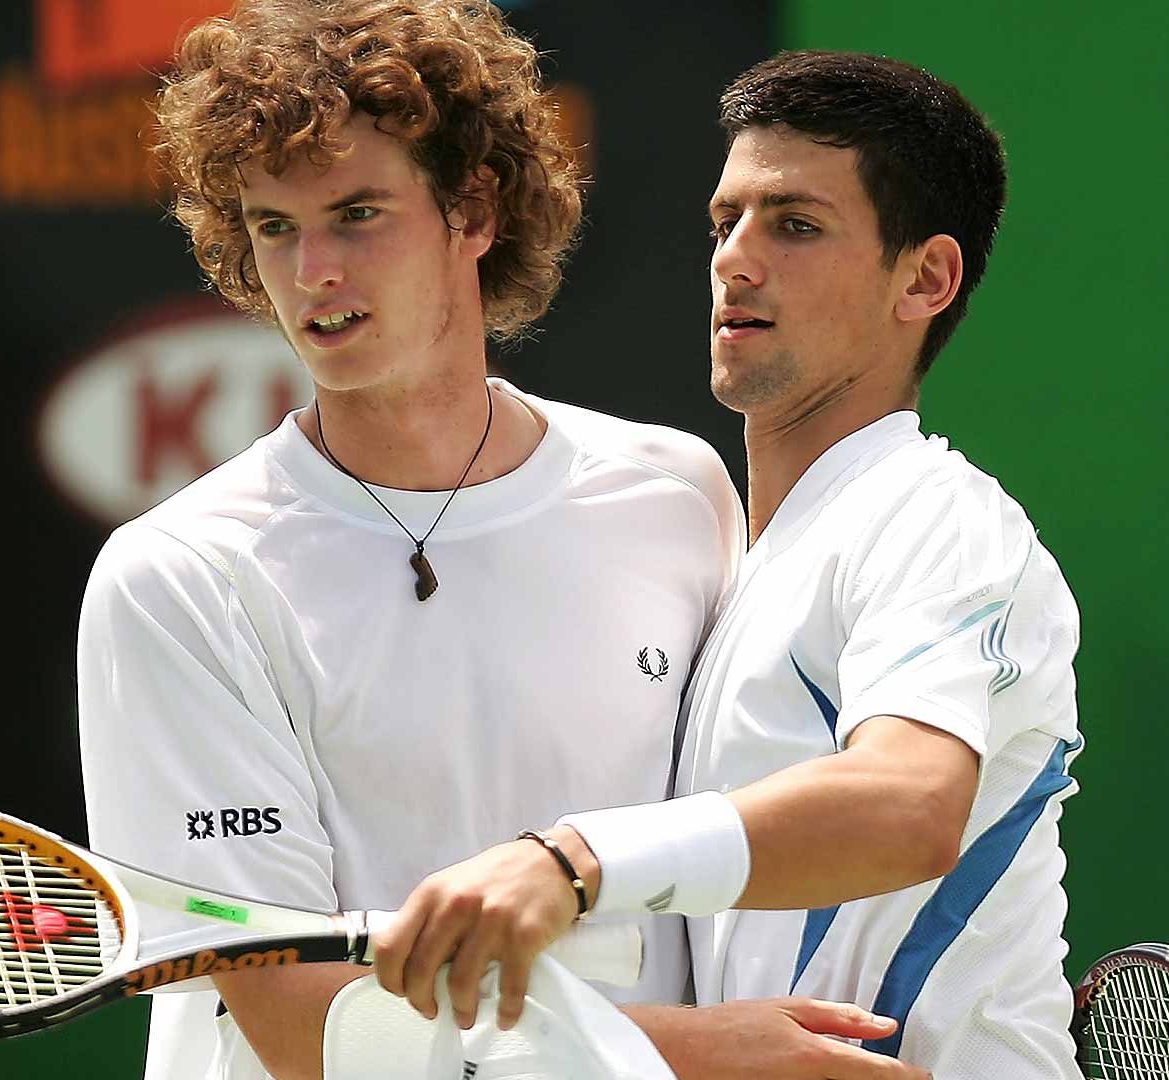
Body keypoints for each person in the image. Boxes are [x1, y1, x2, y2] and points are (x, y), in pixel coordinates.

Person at [78, 7, 923, 1079]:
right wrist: (706, 1054)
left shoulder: (676, 493)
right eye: (275, 227)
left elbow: (725, 879)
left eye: (357, 213)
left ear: (473, 210)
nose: (312, 273)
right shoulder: (177, 578)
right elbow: (298, 1024)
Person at [377, 50, 1086, 1080]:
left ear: (925, 279)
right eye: (726, 223)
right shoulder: (755, 563)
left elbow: (911, 802)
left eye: (794, 225)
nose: (735, 261)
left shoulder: (939, 519)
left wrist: (570, 863)